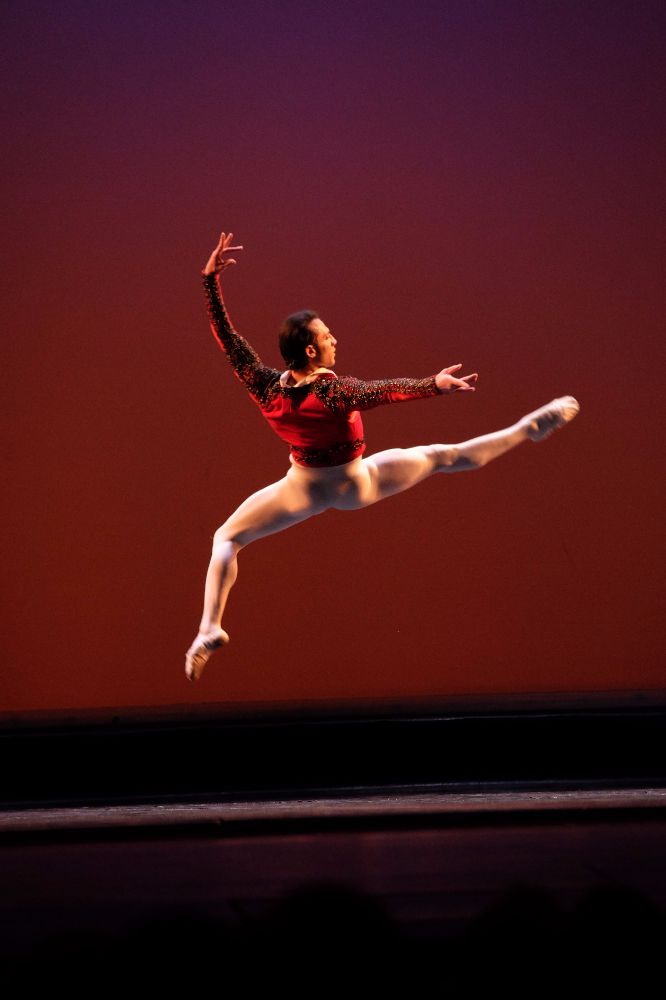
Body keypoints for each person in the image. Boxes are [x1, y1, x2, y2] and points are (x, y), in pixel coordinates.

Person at [185, 231, 580, 681]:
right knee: (445, 456)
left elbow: (228, 339)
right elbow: (383, 391)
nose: (335, 339)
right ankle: (528, 429)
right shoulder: (332, 392)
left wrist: (209, 281)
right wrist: (434, 385)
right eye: (327, 336)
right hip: (355, 483)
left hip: (301, 489)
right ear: (311, 350)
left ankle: (209, 627)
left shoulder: (263, 385)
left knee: (226, 539)